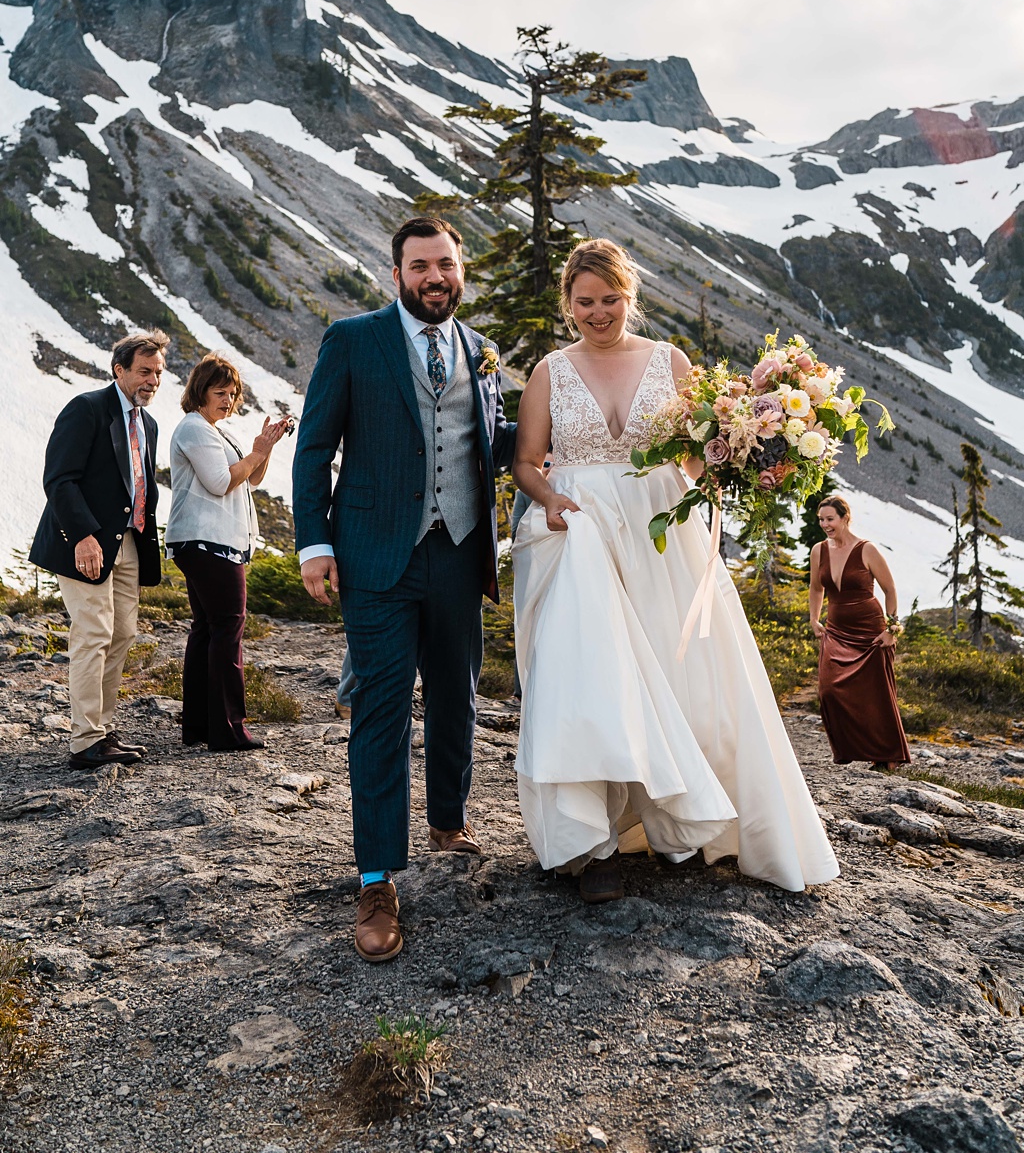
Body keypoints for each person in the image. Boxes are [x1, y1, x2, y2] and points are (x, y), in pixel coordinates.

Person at [512, 239, 839, 901]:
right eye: (585, 302)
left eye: (610, 299)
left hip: (661, 532)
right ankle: (591, 842)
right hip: (580, 531)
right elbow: (525, 460)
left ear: (630, 294)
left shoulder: (671, 361)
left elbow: (699, 452)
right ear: (568, 304)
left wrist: (712, 466)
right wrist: (549, 500)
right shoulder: (550, 369)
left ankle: (677, 824)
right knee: (587, 674)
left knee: (676, 670)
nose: (598, 313)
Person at [293, 215, 516, 963]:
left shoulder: (480, 351)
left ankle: (448, 822)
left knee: (458, 693)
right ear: (397, 274)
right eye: (420, 266)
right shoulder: (353, 340)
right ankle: (378, 879)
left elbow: (496, 441)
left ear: (462, 270)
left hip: (457, 552)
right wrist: (314, 543)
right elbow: (315, 446)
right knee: (380, 714)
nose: (435, 277)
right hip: (375, 558)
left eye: (446, 265)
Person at [29, 330, 169, 770]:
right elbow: (59, 479)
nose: (153, 380)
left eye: (159, 373)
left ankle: (103, 731)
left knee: (122, 634)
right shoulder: (86, 409)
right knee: (93, 633)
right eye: (144, 371)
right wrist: (84, 536)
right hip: (83, 543)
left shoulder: (148, 424)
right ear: (120, 369)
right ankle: (85, 740)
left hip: (128, 542)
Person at [165, 354, 291, 752]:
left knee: (207, 629)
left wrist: (263, 448)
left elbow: (250, 478)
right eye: (220, 393)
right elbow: (220, 482)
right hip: (208, 541)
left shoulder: (213, 431)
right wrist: (257, 452)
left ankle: (202, 727)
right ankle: (228, 729)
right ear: (200, 392)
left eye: (233, 394)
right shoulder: (195, 429)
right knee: (227, 628)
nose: (228, 400)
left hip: (211, 541)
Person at [810, 495, 910, 771]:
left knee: (876, 695)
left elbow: (889, 590)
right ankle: (854, 748)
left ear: (845, 518)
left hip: (870, 630)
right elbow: (817, 588)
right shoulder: (819, 550)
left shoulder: (867, 550)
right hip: (837, 629)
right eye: (821, 519)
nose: (825, 524)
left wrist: (891, 629)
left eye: (830, 519)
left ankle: (887, 756)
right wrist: (814, 619)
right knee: (829, 690)